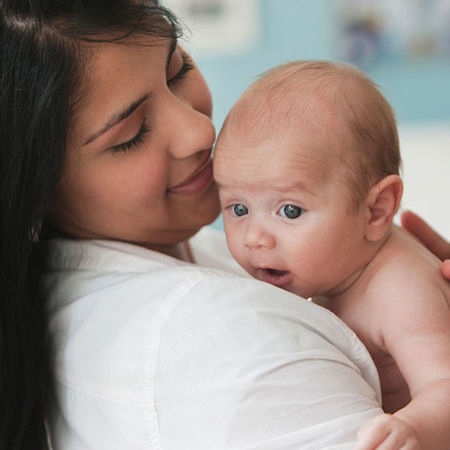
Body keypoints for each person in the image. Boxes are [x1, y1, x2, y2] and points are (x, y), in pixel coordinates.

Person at [0, 2, 448, 449]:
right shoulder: (212, 330)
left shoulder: (209, 260)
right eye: (132, 134)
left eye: (178, 71)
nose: (199, 131)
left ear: (376, 208)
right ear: (35, 187)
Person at [213, 60, 450, 450]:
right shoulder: (331, 269)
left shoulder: (399, 289)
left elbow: (442, 383)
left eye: (290, 210)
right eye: (238, 209)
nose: (254, 237)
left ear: (375, 211)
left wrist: (414, 428)